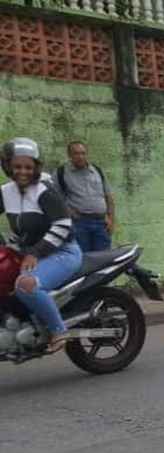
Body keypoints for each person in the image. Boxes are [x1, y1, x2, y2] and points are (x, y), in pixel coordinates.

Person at [1, 138, 80, 353]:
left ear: (36, 167)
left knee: (26, 285)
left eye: (28, 167)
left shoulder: (44, 190)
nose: (22, 172)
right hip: (27, 252)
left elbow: (63, 224)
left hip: (62, 252)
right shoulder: (6, 192)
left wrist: (36, 252)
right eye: (17, 166)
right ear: (7, 166)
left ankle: (58, 330)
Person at [55, 141, 115, 253]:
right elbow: (55, 198)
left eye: (83, 153)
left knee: (104, 258)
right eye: (76, 153)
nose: (80, 157)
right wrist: (70, 212)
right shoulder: (61, 172)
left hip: (101, 224)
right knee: (84, 259)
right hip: (79, 224)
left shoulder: (97, 170)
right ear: (69, 155)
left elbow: (109, 196)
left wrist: (111, 219)